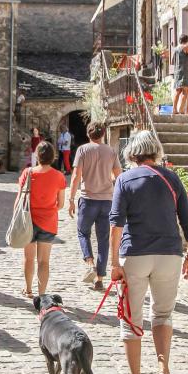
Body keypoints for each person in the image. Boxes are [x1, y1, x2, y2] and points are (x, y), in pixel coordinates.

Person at [109, 130, 188, 374]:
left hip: (135, 254)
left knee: (131, 320)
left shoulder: (125, 179)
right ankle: (164, 369)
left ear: (131, 153)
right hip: (169, 254)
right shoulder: (171, 178)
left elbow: (116, 224)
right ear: (155, 151)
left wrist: (113, 263)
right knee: (162, 315)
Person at [69, 121, 122, 290]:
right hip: (107, 200)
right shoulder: (111, 151)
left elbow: (76, 175)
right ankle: (99, 278)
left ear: (88, 134)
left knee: (83, 232)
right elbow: (118, 175)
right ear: (103, 134)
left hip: (88, 199)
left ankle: (90, 263)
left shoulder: (83, 150)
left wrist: (70, 198)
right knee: (103, 239)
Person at [15, 141, 66, 298]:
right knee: (44, 261)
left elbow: (19, 199)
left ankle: (28, 289)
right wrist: (48, 210)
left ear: (37, 155)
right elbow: (61, 204)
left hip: (28, 221)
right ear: (53, 156)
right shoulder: (59, 176)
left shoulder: (28, 173)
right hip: (48, 222)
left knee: (28, 258)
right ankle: (42, 295)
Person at [172, 34, 188, 115]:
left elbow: (172, 61)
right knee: (185, 91)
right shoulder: (186, 47)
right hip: (184, 72)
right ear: (187, 40)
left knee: (178, 91)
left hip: (177, 72)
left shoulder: (176, 49)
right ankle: (181, 109)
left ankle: (174, 109)